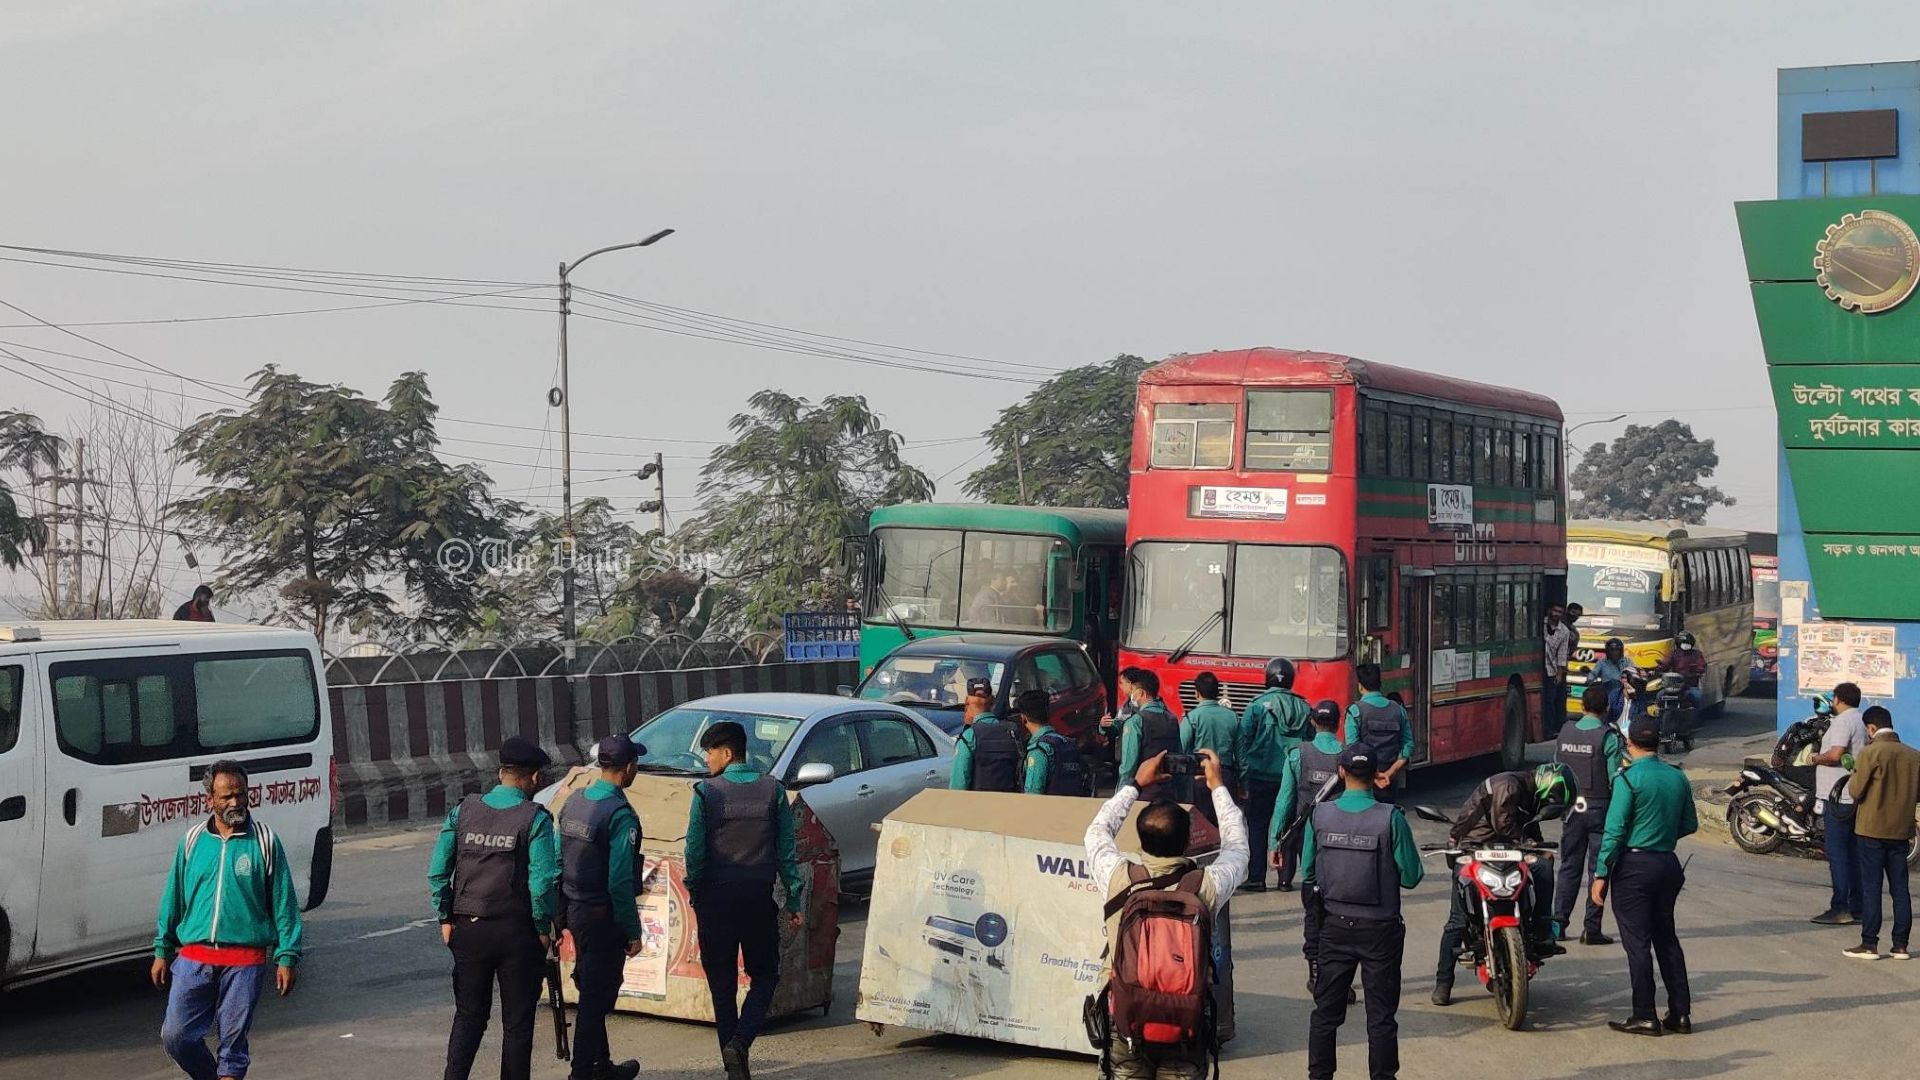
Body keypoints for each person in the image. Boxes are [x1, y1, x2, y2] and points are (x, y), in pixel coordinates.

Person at [1084, 746, 1247, 1079]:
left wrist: (1134, 784)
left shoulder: (1117, 877)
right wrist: (1217, 787)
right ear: (1188, 842)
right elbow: (1237, 846)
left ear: (1140, 841)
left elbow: (1097, 831)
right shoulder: (1206, 884)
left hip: (1126, 1018)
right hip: (1186, 1021)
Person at [153, 759, 302, 1080]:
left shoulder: (264, 841)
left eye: (241, 794)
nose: (235, 802)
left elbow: (283, 902)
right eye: (226, 797)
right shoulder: (192, 841)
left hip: (244, 960)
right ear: (210, 799)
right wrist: (162, 949)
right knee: (176, 1037)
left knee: (232, 1049)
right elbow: (173, 897)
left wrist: (287, 956)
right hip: (194, 958)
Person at [429, 736, 561, 1080]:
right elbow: (543, 881)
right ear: (533, 778)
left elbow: (438, 870)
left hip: (468, 928)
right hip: (517, 932)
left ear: (502, 772)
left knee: (469, 1015)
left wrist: (445, 916)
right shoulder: (535, 818)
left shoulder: (464, 811)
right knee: (517, 1023)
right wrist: (543, 927)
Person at [684, 721, 807, 1080]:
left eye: (709, 752)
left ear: (727, 753)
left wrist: (696, 893)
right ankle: (740, 1044)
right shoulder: (772, 790)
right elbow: (787, 851)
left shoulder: (707, 793)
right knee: (765, 976)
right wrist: (794, 900)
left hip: (715, 901)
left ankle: (734, 1065)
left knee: (721, 985)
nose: (707, 760)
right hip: (757, 899)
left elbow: (695, 851)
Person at [1303, 745, 1423, 1080]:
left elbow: (1308, 872)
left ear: (1340, 772)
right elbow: (1412, 877)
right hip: (1380, 930)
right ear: (1376, 776)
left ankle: (1319, 1076)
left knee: (1326, 1013)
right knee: (1381, 1016)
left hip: (1333, 927)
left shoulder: (1320, 815)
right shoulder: (1392, 818)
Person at [1429, 763, 1571, 1006]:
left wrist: (1538, 845)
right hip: (1474, 847)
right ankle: (1444, 982)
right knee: (1458, 919)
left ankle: (1541, 927)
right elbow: (1505, 825)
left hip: (1506, 850)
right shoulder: (1508, 785)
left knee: (1543, 866)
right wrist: (1526, 843)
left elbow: (1526, 824)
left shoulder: (1527, 794)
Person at [1591, 714, 1697, 1036]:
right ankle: (1680, 1014)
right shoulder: (1677, 778)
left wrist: (1600, 874)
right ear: (1658, 741)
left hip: (1635, 867)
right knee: (1667, 939)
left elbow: (1614, 830)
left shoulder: (1627, 779)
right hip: (1667, 864)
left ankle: (1644, 1015)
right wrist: (1661, 836)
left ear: (1628, 743)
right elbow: (1690, 823)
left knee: (1638, 944)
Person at [559, 737, 646, 1080]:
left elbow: (557, 857)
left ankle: (601, 1065)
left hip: (576, 911)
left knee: (591, 987)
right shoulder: (621, 815)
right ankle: (582, 1073)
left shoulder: (575, 800)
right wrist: (632, 931)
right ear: (627, 769)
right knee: (596, 1001)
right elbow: (620, 882)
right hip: (603, 917)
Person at [1274, 699, 1347, 992]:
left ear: (1313, 722)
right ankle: (1340, 976)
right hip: (1344, 853)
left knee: (1313, 911)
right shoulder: (1349, 757)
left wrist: (1275, 842)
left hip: (1311, 854)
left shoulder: (1297, 755)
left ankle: (1316, 971)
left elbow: (1284, 803)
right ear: (1339, 723)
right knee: (1342, 915)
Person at [1553, 683, 1626, 945]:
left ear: (1582, 707)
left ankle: (1557, 925)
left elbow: (1556, 769)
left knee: (1568, 867)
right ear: (1606, 709)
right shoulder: (1607, 737)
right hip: (1599, 809)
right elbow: (1615, 778)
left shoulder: (1565, 732)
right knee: (1599, 869)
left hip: (1571, 809)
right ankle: (1591, 929)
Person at [1845, 705, 1918, 960]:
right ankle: (1900, 945)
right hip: (1901, 831)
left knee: (1872, 886)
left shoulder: (1870, 753)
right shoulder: (1913, 755)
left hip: (1871, 830)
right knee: (1900, 888)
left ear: (1871, 728)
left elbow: (1855, 791)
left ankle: (1869, 944)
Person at [1241, 656, 1313, 891]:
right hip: (1292, 775)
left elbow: (1243, 740)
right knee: (1289, 825)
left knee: (1257, 824)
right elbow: (1310, 741)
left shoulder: (1256, 706)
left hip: (1260, 775)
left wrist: (1243, 775)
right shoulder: (1304, 707)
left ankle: (1256, 877)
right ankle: (1285, 879)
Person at [1810, 682, 1869, 926]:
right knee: (1852, 854)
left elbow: (1835, 755)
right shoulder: (1859, 720)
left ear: (1837, 699)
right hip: (1849, 795)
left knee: (1838, 854)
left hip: (1839, 797)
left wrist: (1815, 758)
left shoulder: (1844, 721)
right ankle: (1856, 906)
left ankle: (1841, 906)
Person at [1116, 669, 1190, 803]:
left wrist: (1121, 795)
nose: (1131, 696)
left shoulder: (1135, 722)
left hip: (1143, 792)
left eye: (1133, 691)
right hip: (1168, 791)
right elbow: (1179, 756)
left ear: (1141, 693)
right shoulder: (1172, 719)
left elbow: (1128, 766)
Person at [1344, 663, 1413, 804]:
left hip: (1362, 782)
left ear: (1360, 686)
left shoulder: (1355, 711)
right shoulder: (1398, 709)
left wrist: (1373, 774)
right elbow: (1408, 746)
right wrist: (1390, 772)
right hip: (1389, 782)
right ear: (1380, 684)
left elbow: (1353, 748)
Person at [1184, 672, 1244, 824]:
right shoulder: (1232, 717)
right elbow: (1241, 755)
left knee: (1201, 827)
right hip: (1227, 777)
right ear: (1217, 693)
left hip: (1200, 777)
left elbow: (1182, 749)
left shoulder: (1192, 717)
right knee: (1226, 824)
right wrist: (1244, 784)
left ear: (1196, 693)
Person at [950, 679, 1025, 792]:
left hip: (980, 804)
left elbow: (959, 783)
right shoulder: (1012, 731)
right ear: (992, 702)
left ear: (967, 703)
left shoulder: (970, 735)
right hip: (1010, 803)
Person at [1018, 689, 1092, 795]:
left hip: (1049, 809)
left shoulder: (1038, 751)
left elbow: (1033, 793)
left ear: (1023, 717)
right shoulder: (1067, 742)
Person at [1589, 639, 1639, 725]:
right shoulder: (1602, 663)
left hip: (1625, 691)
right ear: (1607, 651)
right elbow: (1593, 675)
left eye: (1617, 650)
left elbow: (1634, 673)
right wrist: (1589, 679)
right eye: (1612, 650)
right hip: (1608, 691)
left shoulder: (1627, 661)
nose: (1615, 653)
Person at [1657, 631, 1708, 715]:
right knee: (1659, 695)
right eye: (1684, 642)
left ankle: (1696, 715)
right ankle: (1660, 714)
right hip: (1673, 684)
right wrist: (1660, 667)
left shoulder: (1697, 654)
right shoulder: (1674, 653)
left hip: (1690, 685)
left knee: (1698, 696)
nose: (1686, 644)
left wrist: (1698, 670)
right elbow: (1666, 663)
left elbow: (1701, 665)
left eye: (1688, 643)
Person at [1543, 603, 1575, 733]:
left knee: (1549, 701)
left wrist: (1560, 674)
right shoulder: (1539, 624)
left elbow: (1562, 654)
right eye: (1555, 611)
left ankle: (1549, 729)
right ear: (1549, 611)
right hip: (1536, 667)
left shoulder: (1564, 631)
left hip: (1550, 669)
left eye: (1560, 612)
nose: (1556, 614)